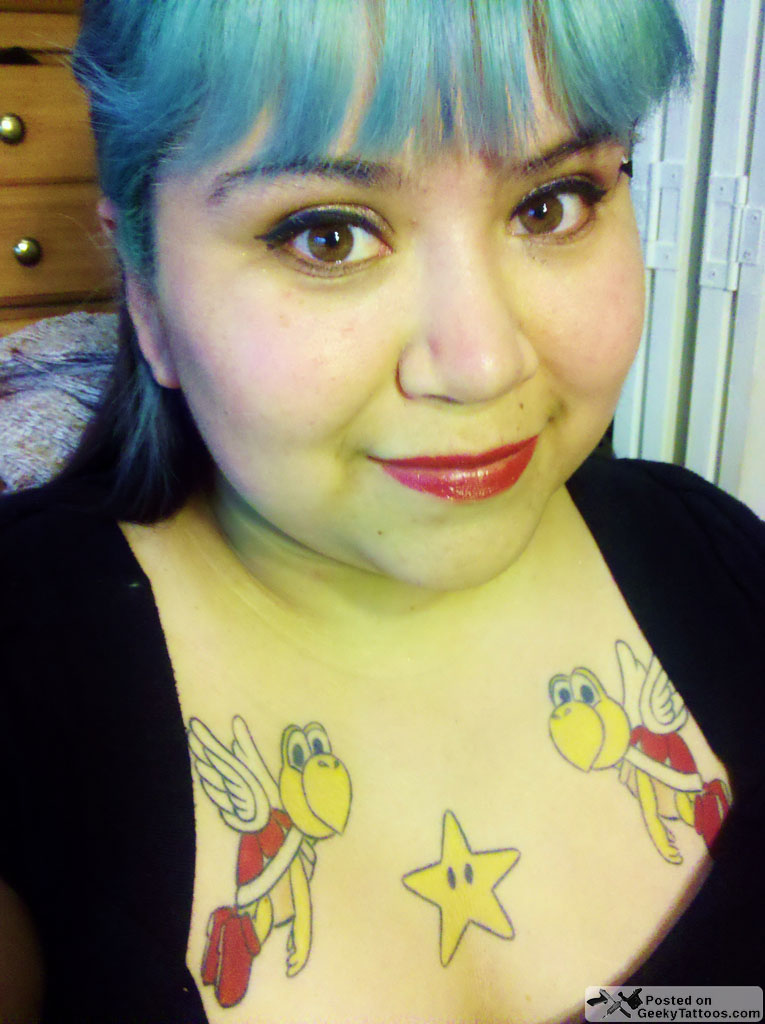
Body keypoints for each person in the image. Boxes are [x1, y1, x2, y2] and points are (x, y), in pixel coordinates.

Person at [1, 0, 763, 1021]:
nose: (482, 364)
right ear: (146, 287)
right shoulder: (29, 677)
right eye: (326, 234)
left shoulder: (720, 568)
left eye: (552, 204)